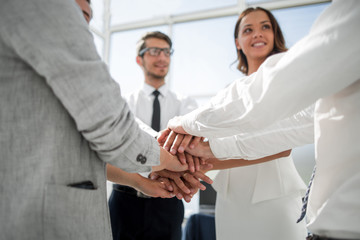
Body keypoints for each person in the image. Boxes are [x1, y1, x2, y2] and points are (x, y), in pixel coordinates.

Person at [162, 1, 360, 239]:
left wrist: (188, 162)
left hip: (275, 196)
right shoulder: (227, 94)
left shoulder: (293, 86)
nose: (257, 33)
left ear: (274, 35)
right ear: (237, 42)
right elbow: (207, 144)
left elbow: (281, 146)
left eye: (265, 27)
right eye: (247, 29)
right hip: (230, 197)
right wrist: (192, 163)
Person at [0, 0, 188, 239]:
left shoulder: (184, 102)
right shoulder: (47, 11)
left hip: (162, 198)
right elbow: (112, 130)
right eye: (75, 14)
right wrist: (170, 160)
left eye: (87, 18)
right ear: (139, 59)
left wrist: (152, 172)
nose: (79, 24)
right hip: (67, 209)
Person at [107, 31, 200, 240]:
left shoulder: (186, 104)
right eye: (155, 51)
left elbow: (192, 148)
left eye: (167, 52)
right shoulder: (123, 103)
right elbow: (117, 145)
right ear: (139, 59)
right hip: (125, 198)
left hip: (168, 202)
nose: (162, 58)